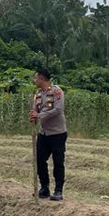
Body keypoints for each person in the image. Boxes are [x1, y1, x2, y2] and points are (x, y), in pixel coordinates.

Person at [30, 68, 67, 201]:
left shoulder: (57, 91)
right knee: (39, 160)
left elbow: (58, 110)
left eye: (36, 78)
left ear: (41, 78)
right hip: (44, 133)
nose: (34, 81)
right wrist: (33, 116)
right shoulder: (38, 94)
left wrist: (39, 115)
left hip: (57, 133)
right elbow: (34, 110)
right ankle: (44, 187)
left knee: (58, 162)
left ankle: (58, 190)